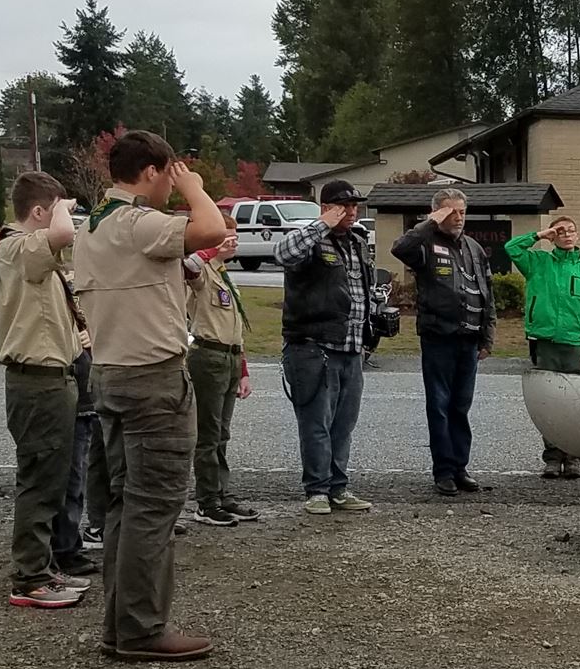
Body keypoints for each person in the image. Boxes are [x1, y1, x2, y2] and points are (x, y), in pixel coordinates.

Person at [71, 129, 228, 662]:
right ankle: (140, 629)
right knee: (154, 506)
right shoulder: (139, 223)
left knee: (122, 503)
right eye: (170, 174)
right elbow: (210, 227)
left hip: (110, 374)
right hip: (152, 378)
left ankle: (121, 624)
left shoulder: (91, 227)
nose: (173, 184)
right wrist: (196, 187)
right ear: (154, 171)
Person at [0, 171, 94, 609]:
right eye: (55, 208)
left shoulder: (34, 255)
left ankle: (43, 564)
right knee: (39, 481)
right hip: (37, 382)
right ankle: (29, 577)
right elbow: (62, 234)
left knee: (54, 480)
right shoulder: (16, 247)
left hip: (57, 379)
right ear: (39, 212)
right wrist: (63, 211)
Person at [275, 178, 381, 517]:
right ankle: (317, 490)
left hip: (352, 348)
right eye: (344, 206)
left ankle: (338, 488)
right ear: (326, 207)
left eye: (354, 206)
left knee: (343, 425)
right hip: (313, 348)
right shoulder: (310, 240)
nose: (351, 212)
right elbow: (283, 253)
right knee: (315, 423)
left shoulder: (358, 243)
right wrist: (322, 224)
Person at [395, 187, 496, 496]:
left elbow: (487, 293)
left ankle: (460, 467)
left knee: (460, 407)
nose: (458, 218)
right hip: (439, 338)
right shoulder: (424, 242)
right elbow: (400, 248)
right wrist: (429, 222)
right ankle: (443, 471)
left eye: (462, 212)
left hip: (469, 340)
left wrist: (487, 336)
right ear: (438, 213)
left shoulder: (474, 248)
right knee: (439, 406)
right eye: (451, 212)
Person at [507, 215, 580, 478]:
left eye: (571, 230)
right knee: (549, 402)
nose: (567, 235)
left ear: (578, 235)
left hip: (573, 344)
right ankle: (552, 457)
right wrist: (539, 236)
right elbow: (511, 248)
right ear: (553, 236)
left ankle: (573, 458)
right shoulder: (538, 262)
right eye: (560, 231)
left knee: (575, 403)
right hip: (545, 342)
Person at [184, 239, 255, 526]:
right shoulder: (204, 272)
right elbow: (187, 268)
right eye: (227, 237)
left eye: (235, 238)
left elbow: (234, 327)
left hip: (229, 357)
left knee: (222, 433)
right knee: (208, 432)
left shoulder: (225, 274)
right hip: (208, 355)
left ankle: (221, 492)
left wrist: (244, 368)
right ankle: (207, 501)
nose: (233, 243)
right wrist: (212, 250)